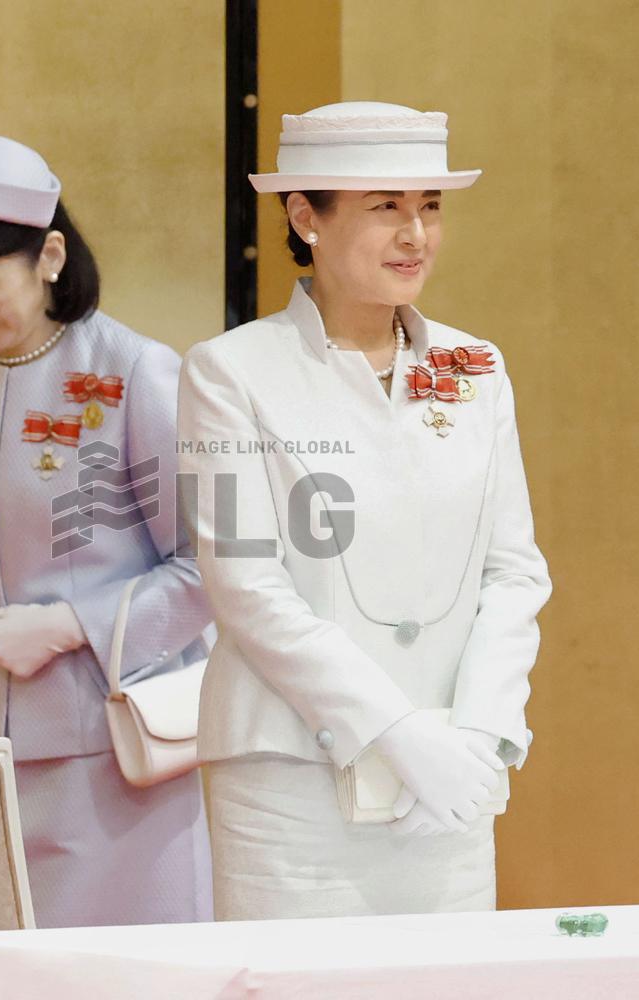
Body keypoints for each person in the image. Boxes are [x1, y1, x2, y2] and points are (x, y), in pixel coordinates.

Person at [177, 102, 552, 919]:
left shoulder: (474, 366)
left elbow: (514, 571)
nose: (415, 234)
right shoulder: (229, 373)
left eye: (430, 206)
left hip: (452, 782)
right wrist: (394, 734)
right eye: (386, 206)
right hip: (289, 784)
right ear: (304, 215)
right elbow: (245, 587)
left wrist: (480, 738)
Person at [0, 133, 213, 927]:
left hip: (116, 763)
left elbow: (211, 567)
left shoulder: (138, 371)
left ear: (51, 256)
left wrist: (70, 625)